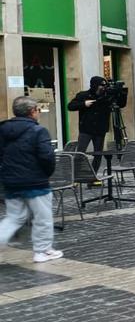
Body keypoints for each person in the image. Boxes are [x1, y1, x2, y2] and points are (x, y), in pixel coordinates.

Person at [0, 96, 61, 263]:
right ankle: (43, 251)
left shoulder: (3, 130)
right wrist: (45, 174)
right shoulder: (38, 131)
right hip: (35, 182)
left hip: (11, 181)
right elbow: (47, 157)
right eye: (37, 110)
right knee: (43, 218)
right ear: (32, 111)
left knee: (14, 217)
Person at [67, 76, 111, 171]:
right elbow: (70, 106)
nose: (103, 88)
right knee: (80, 154)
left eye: (104, 86)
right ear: (95, 85)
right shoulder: (83, 95)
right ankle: (76, 174)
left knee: (98, 154)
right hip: (86, 129)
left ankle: (93, 175)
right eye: (101, 85)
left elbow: (119, 104)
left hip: (100, 130)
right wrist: (84, 104)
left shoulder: (106, 97)